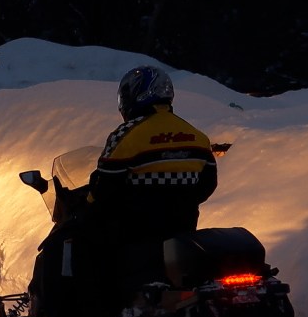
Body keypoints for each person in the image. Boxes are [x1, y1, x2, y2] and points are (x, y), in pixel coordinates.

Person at [86, 65, 218, 301]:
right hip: (182, 227)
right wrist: (180, 199)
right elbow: (207, 184)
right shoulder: (196, 135)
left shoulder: (127, 134)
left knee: (93, 249)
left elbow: (105, 187)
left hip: (136, 230)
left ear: (135, 95)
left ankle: (104, 306)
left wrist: (90, 203)